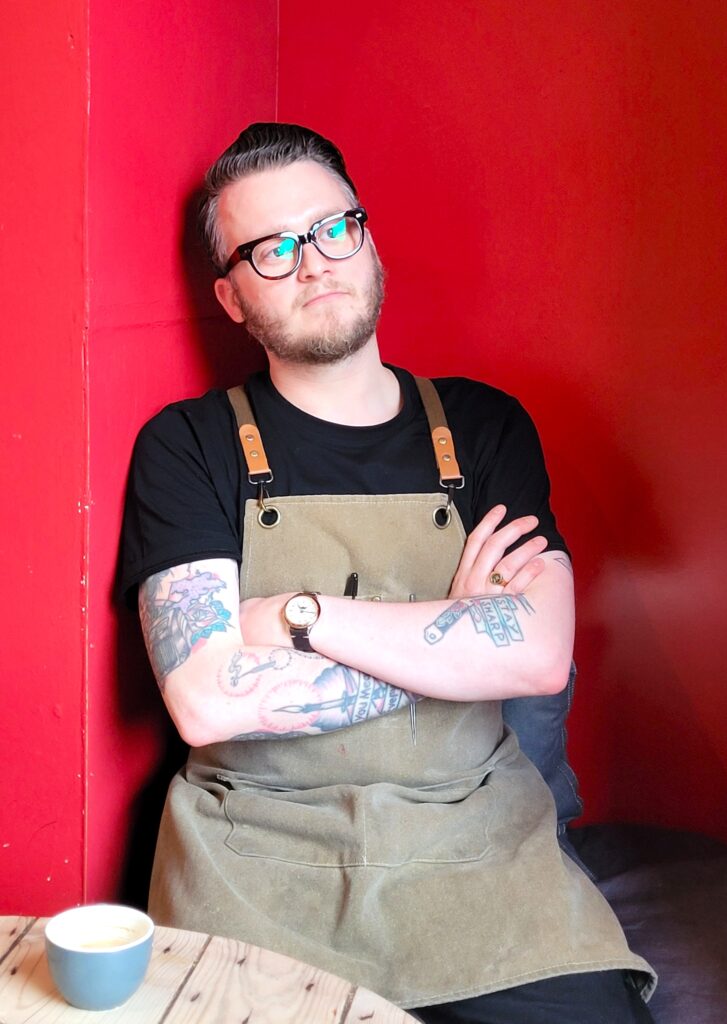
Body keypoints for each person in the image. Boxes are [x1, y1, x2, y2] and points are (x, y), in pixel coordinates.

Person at [120, 123, 655, 1022]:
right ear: (232, 297)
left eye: (335, 227)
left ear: (366, 238)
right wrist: (449, 637)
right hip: (254, 864)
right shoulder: (189, 445)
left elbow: (535, 657)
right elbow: (208, 701)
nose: (315, 261)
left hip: (480, 855)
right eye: (272, 249)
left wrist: (296, 614)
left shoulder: (485, 430)